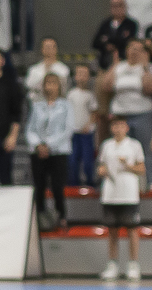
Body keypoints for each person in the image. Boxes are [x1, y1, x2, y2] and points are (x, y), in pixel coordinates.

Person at [103, 38, 152, 189]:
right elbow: (106, 86)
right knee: (121, 149)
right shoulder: (119, 67)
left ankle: (151, 182)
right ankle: (119, 182)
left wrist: (145, 67)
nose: (135, 52)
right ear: (127, 50)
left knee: (146, 149)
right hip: (121, 115)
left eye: (139, 49)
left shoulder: (149, 68)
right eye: (132, 48)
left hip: (143, 113)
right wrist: (114, 65)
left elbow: (150, 89)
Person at [97, 115, 145, 280]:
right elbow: (101, 166)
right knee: (112, 230)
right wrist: (101, 170)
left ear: (126, 127)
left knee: (132, 229)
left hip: (128, 193)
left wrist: (128, 165)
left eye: (121, 125)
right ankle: (112, 264)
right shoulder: (106, 145)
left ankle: (133, 264)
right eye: (114, 125)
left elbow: (141, 169)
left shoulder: (134, 145)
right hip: (110, 193)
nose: (117, 129)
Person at [26, 73, 72, 229]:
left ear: (59, 86)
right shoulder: (37, 106)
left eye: (53, 83)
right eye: (48, 83)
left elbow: (67, 129)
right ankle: (40, 218)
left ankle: (62, 216)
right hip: (38, 152)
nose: (50, 86)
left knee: (58, 186)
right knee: (39, 186)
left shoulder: (66, 106)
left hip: (58, 151)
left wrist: (49, 145)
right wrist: (38, 145)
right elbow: (30, 129)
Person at [67, 64, 98, 187]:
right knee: (73, 160)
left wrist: (88, 125)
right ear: (75, 76)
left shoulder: (90, 95)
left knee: (87, 160)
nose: (81, 77)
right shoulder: (71, 94)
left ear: (89, 77)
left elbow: (94, 113)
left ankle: (90, 183)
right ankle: (73, 184)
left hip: (86, 133)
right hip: (73, 132)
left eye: (84, 74)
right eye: (79, 74)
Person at [91, 0, 138, 70]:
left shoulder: (131, 24)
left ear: (125, 6)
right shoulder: (105, 24)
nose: (117, 9)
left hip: (124, 62)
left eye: (119, 5)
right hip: (105, 62)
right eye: (114, 6)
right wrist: (106, 46)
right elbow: (95, 43)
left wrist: (109, 41)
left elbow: (130, 42)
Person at [24, 37, 70, 103]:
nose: (48, 49)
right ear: (42, 49)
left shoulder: (64, 69)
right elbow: (29, 86)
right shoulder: (33, 69)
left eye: (51, 47)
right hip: (37, 103)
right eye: (46, 47)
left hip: (58, 104)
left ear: (56, 49)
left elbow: (65, 89)